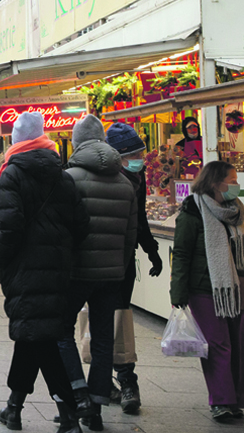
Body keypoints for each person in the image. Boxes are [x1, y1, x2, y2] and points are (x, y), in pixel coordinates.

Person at [0, 112, 90, 433]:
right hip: (59, 270)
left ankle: (69, 413)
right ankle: (14, 408)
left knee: (38, 338)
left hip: (24, 268)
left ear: (17, 139)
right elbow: (82, 225)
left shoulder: (13, 174)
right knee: (34, 335)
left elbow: (9, 226)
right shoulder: (63, 176)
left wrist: (2, 260)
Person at [57, 114, 137, 430]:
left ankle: (79, 396)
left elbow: (62, 230)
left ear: (76, 143)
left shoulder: (69, 179)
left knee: (62, 331)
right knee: (104, 338)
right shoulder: (124, 182)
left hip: (76, 272)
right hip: (111, 275)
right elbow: (129, 236)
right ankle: (98, 406)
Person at [171, 161, 244, 421]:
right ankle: (221, 401)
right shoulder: (193, 211)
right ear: (216, 183)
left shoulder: (237, 210)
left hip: (236, 289)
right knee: (218, 344)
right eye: (232, 180)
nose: (236, 185)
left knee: (237, 344)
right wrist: (177, 295)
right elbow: (180, 254)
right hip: (205, 288)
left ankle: (236, 399)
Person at [105, 123, 163, 413]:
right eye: (135, 153)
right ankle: (103, 380)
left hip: (124, 261)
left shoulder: (138, 180)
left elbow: (139, 219)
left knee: (121, 318)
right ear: (120, 156)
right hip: (99, 261)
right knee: (101, 320)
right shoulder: (104, 178)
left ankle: (127, 380)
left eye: (141, 152)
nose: (141, 157)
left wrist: (152, 250)